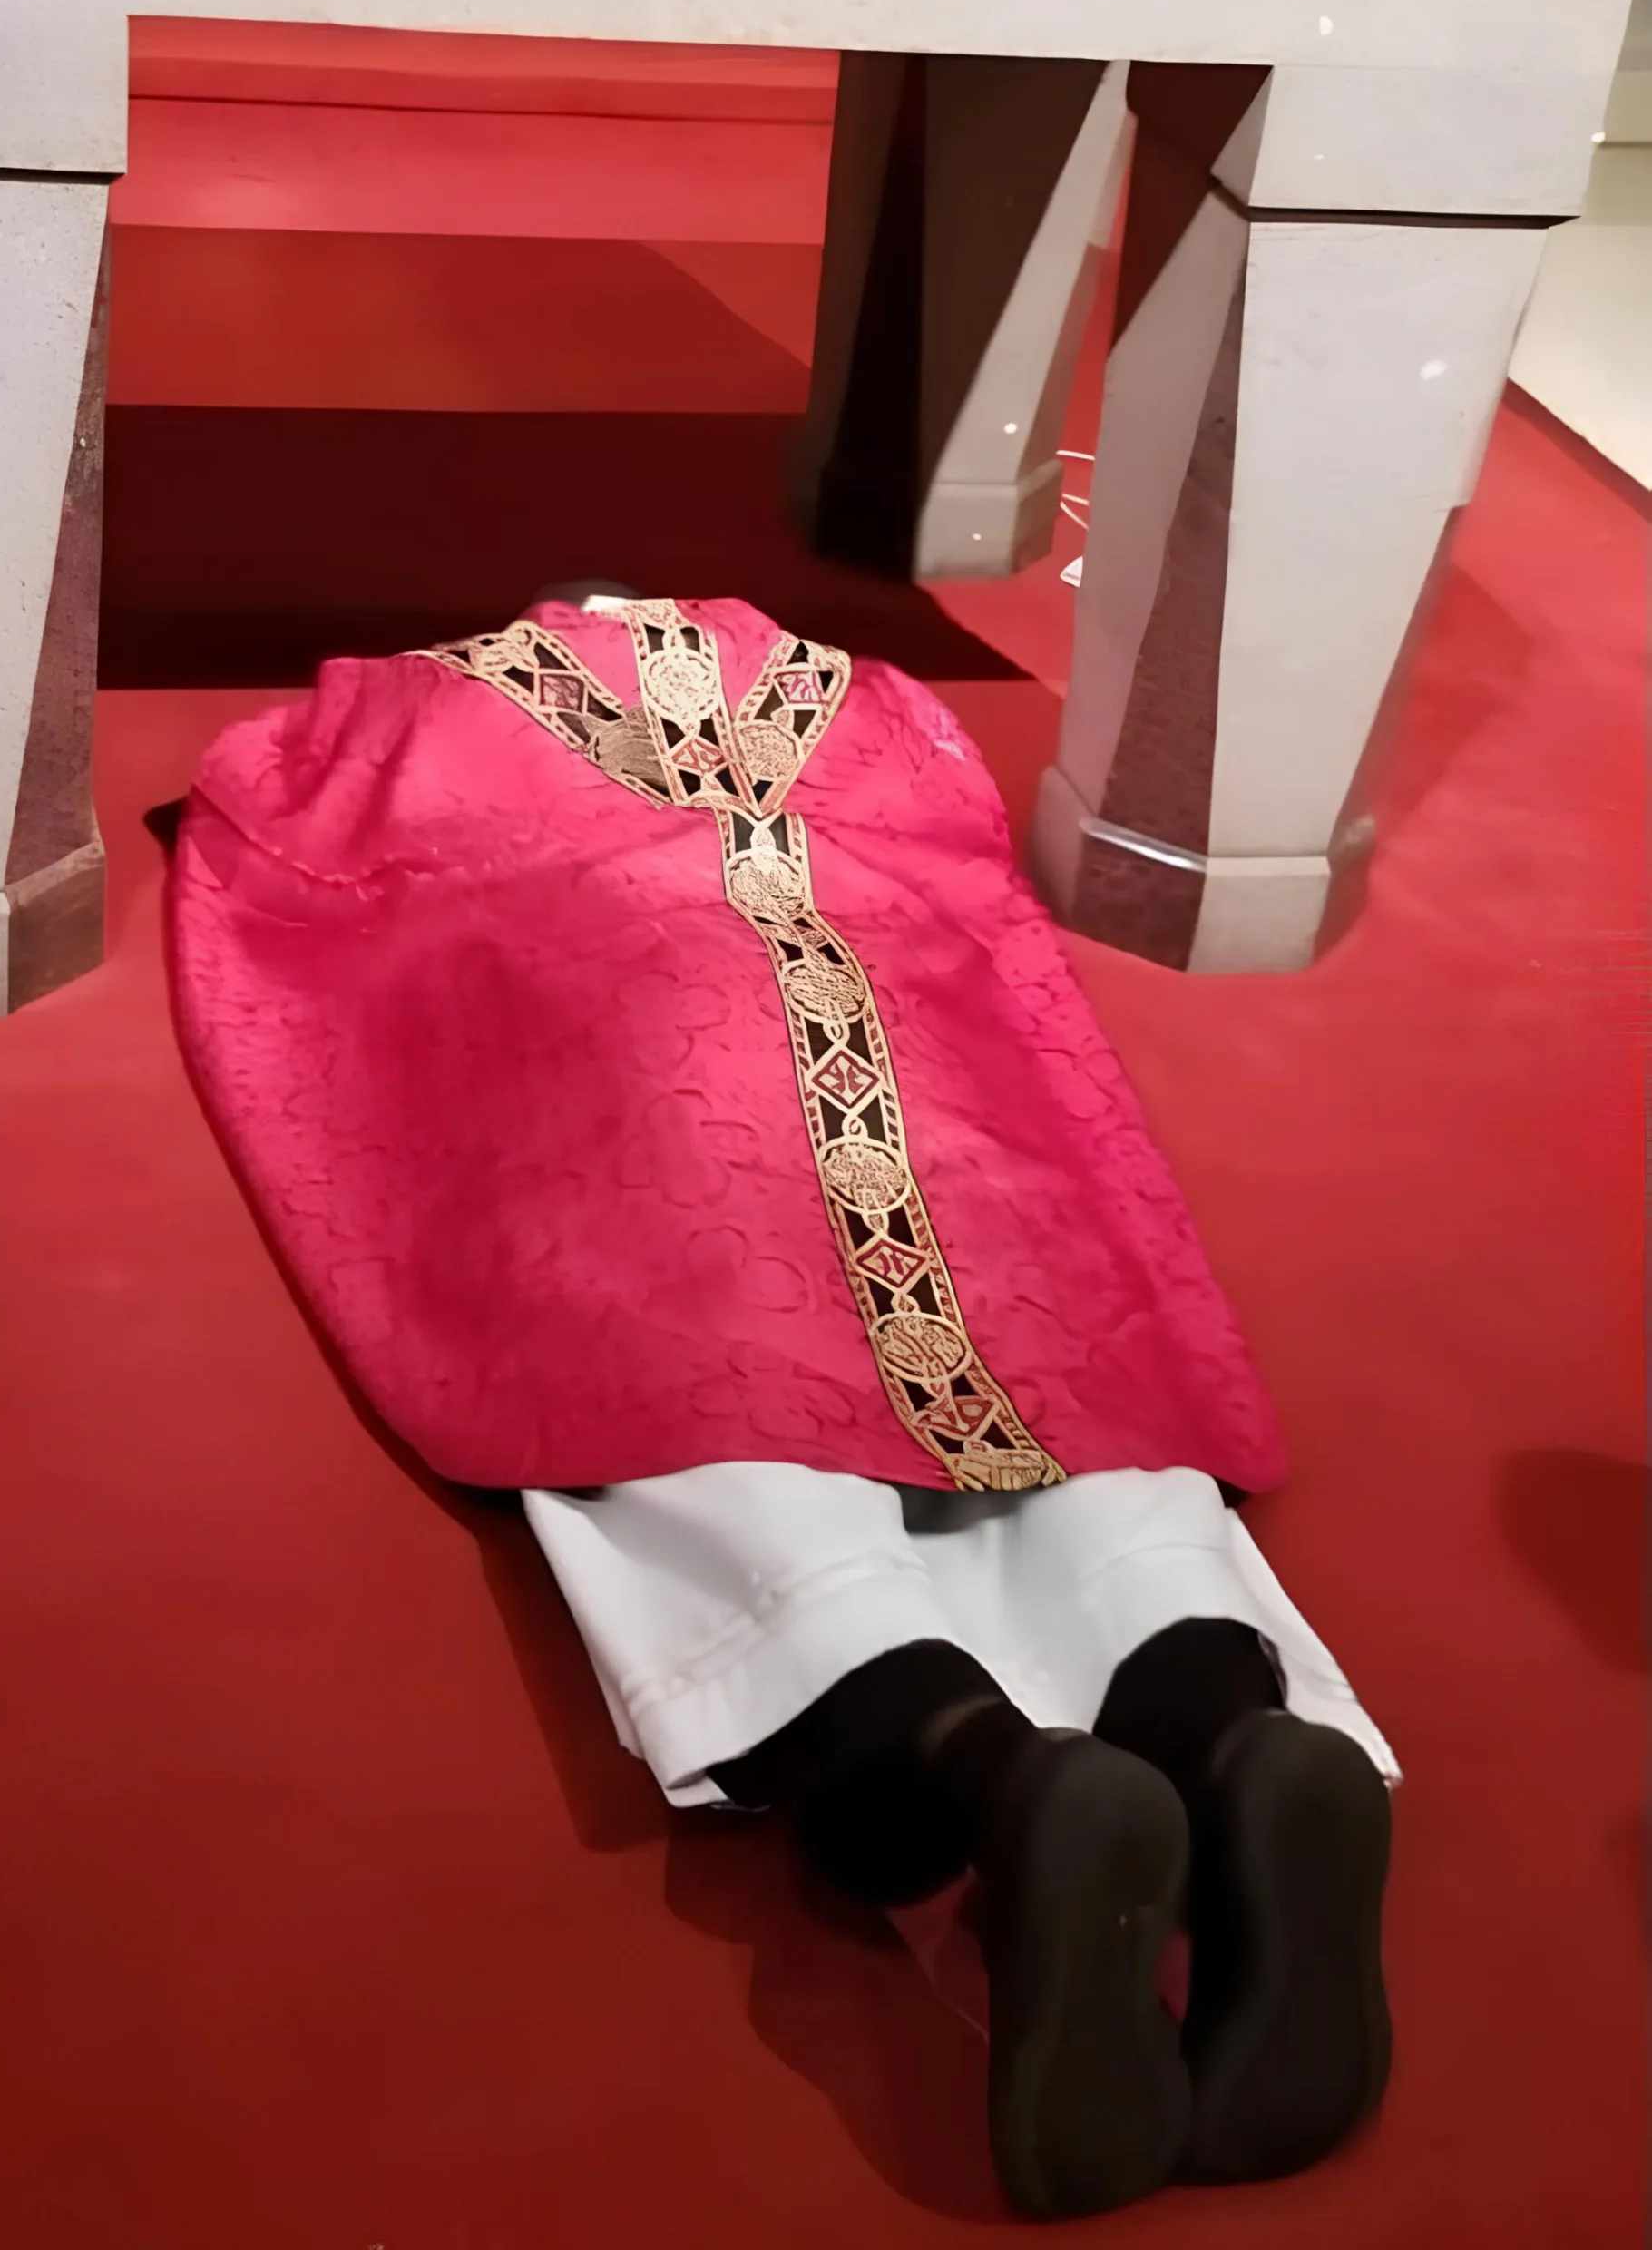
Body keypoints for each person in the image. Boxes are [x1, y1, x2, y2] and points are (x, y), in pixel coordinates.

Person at [167, 586, 1395, 2220]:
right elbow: (965, 858)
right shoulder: (863, 697)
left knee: (698, 1415)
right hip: (918, 1071)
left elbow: (267, 830)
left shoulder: (418, 708)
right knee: (1051, 1389)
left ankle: (977, 1769)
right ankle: (1221, 1718)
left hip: (655, 1063)